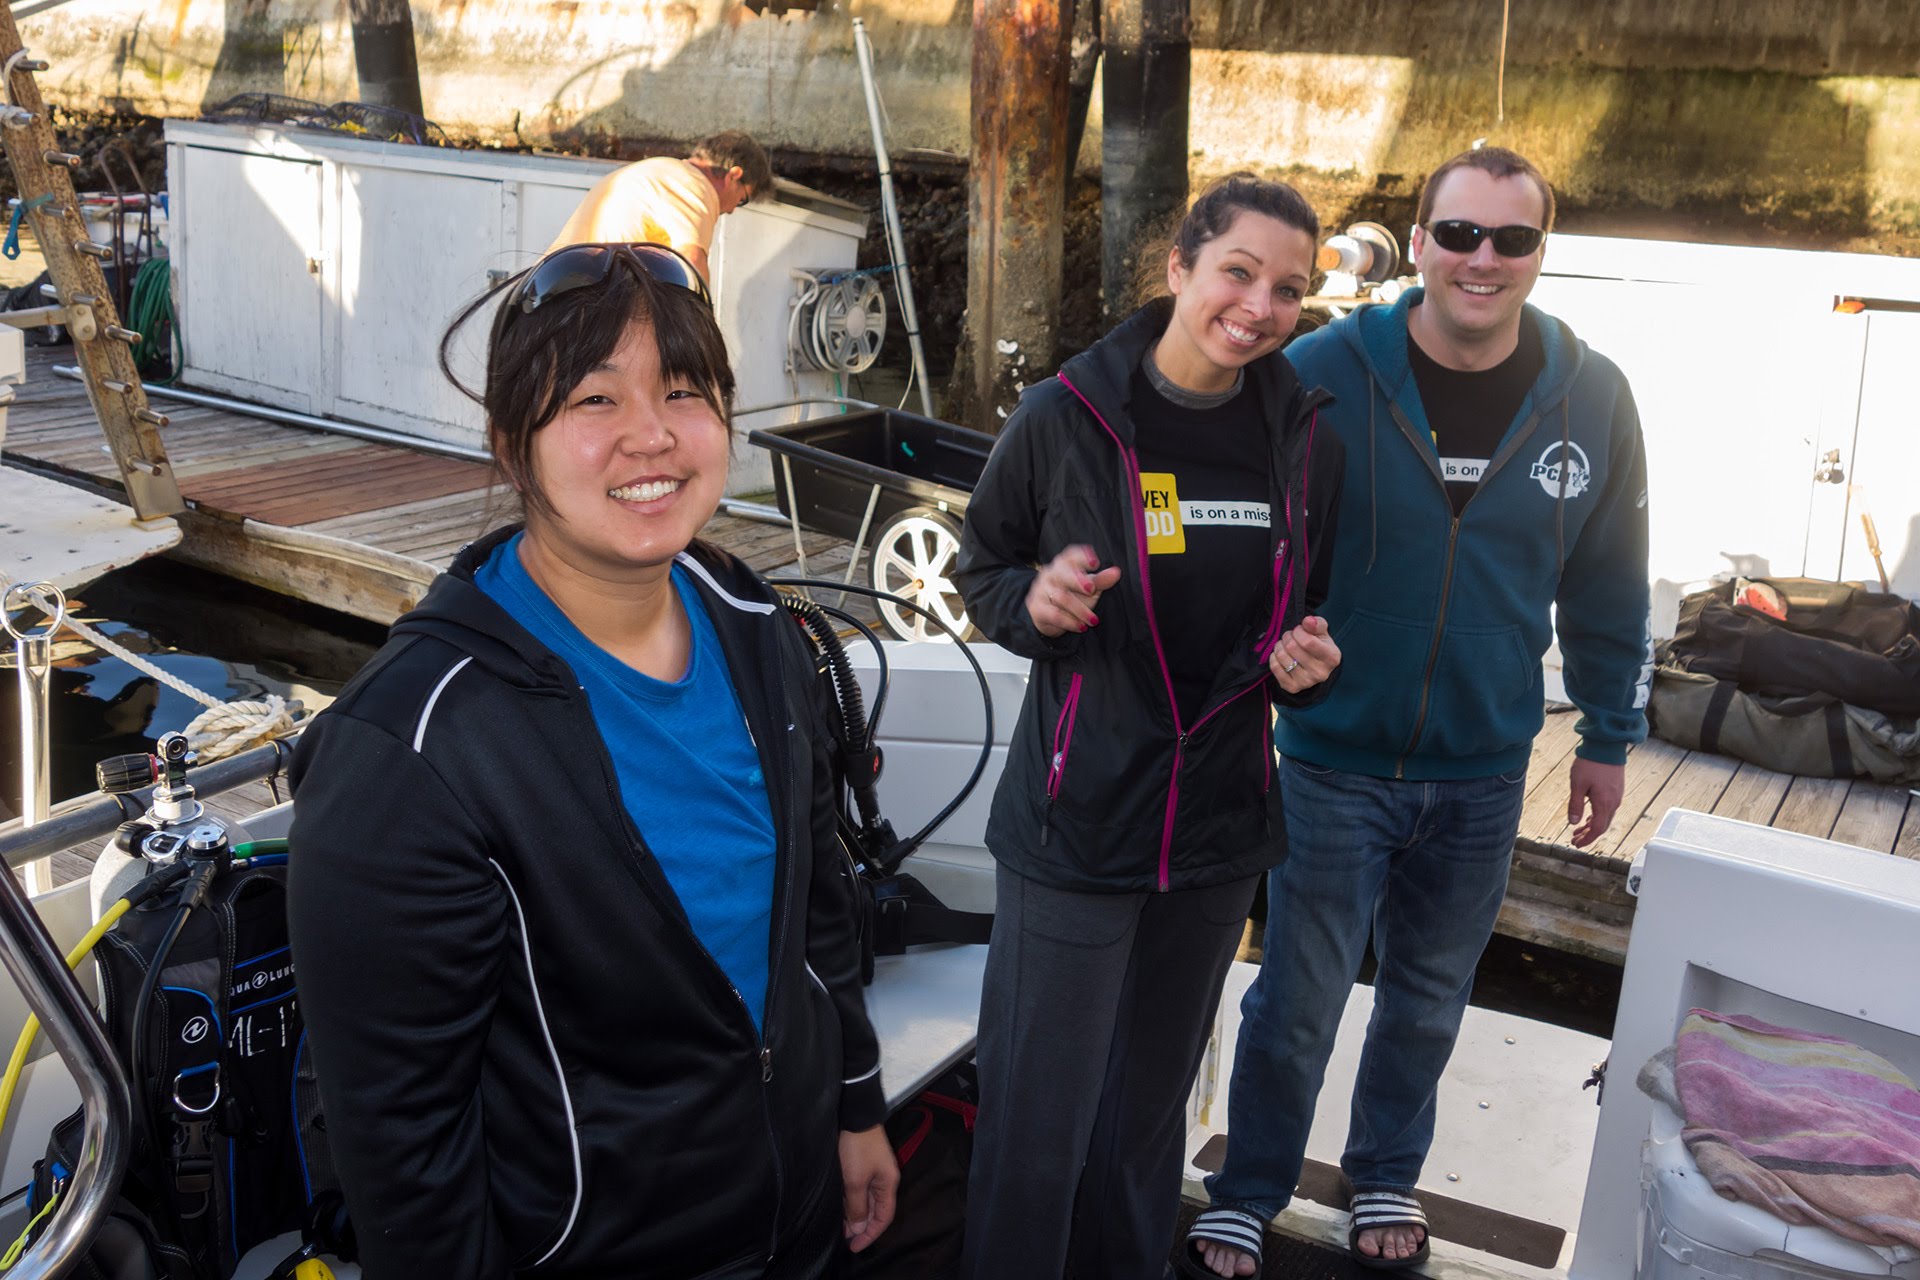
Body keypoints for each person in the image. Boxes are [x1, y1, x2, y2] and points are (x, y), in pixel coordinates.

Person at [286, 242, 897, 1278]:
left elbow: (817, 907)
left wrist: (854, 1102)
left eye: (684, 391)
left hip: (796, 1215)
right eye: (594, 399)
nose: (651, 433)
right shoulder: (412, 746)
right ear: (510, 442)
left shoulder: (757, 627)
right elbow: (401, 1140)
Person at [1187, 146, 1651, 1275]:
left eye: (1511, 238)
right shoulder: (1322, 367)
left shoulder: (1594, 395)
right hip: (1331, 756)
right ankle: (1250, 1186)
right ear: (1419, 241)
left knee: (1430, 998)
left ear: (1542, 252)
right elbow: (1241, 530)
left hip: (1485, 769)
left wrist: (1606, 734)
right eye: (1458, 233)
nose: (1482, 259)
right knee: (1298, 997)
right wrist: (1262, 645)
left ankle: (1385, 1172)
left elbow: (1609, 581)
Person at [952, 173, 1347, 1280]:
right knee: (1037, 1122)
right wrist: (1033, 603)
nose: (1259, 306)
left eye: (1287, 289)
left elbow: (1302, 617)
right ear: (1179, 266)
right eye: (1238, 272)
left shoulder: (1307, 441)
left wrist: (1305, 671)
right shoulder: (1064, 416)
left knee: (1145, 1119)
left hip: (1219, 831)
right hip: (1076, 818)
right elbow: (983, 570)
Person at [548, 131, 774, 280]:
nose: (732, 210)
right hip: (590, 299)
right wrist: (703, 330)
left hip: (550, 289)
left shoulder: (655, 170)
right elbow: (691, 261)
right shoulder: (694, 185)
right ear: (733, 176)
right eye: (742, 199)